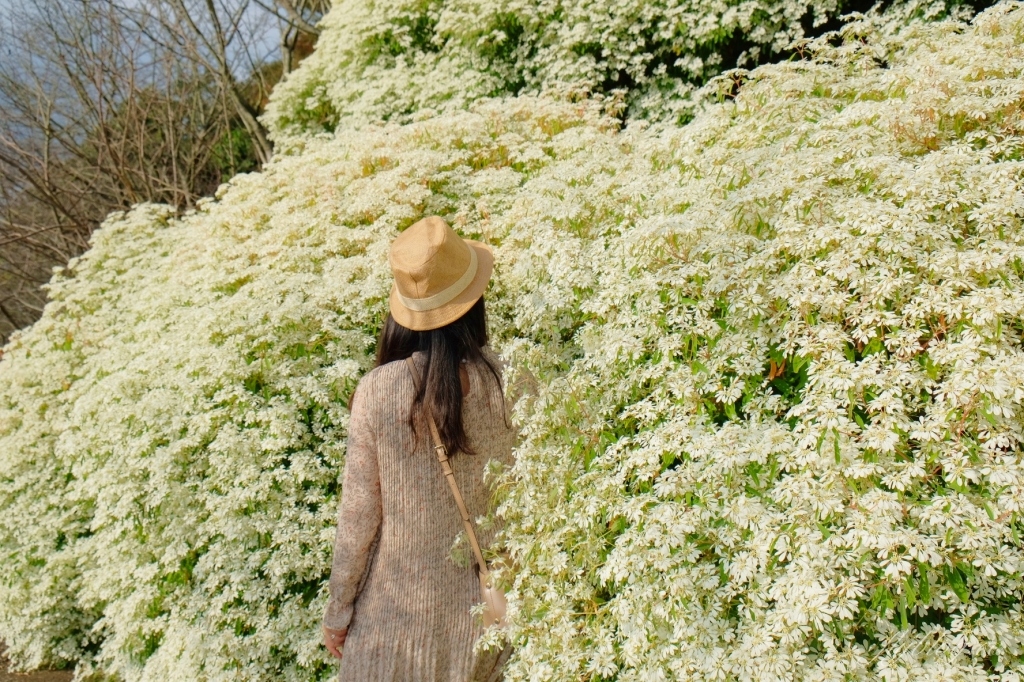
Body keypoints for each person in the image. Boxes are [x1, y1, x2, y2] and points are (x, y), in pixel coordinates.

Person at [321, 216, 517, 681]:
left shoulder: (380, 390)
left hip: (396, 631)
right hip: (486, 625)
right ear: (475, 300)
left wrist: (338, 611)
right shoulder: (514, 380)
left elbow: (359, 517)